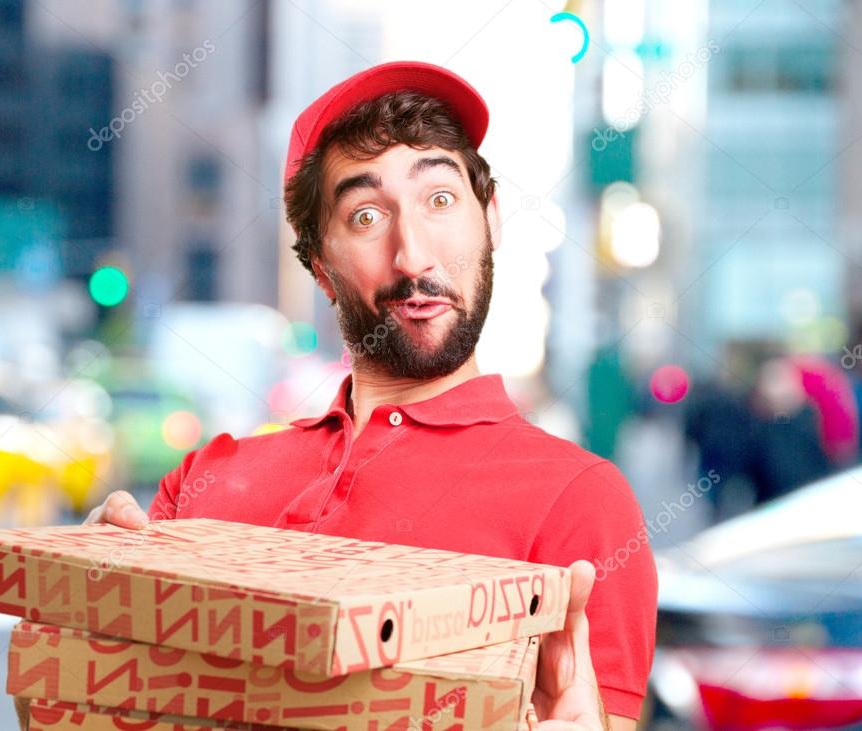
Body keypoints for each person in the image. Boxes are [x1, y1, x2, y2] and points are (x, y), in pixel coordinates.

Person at [69, 61, 657, 731]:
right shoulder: (200, 485)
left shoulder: (581, 502)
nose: (412, 258)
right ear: (321, 266)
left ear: (489, 220)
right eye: (367, 214)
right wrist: (80, 637)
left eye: (439, 199)